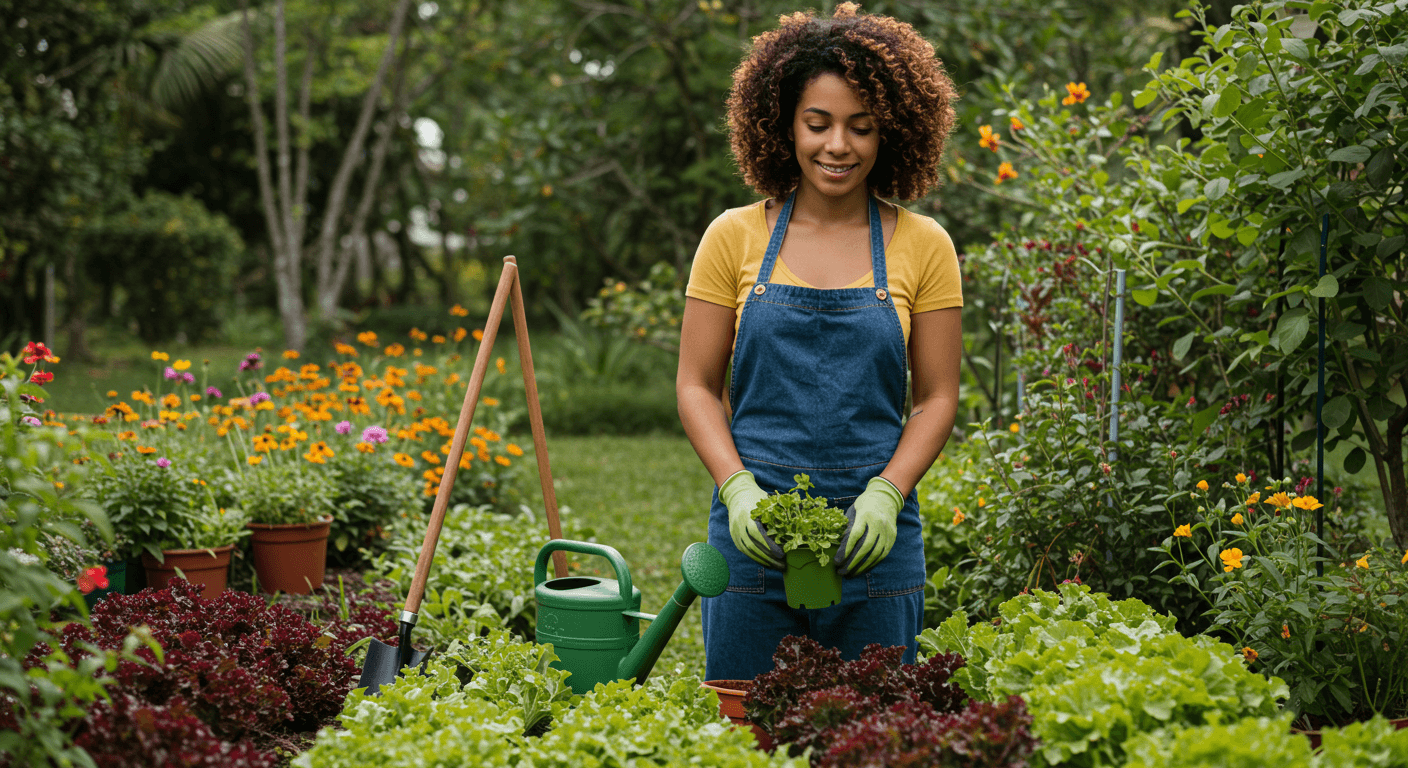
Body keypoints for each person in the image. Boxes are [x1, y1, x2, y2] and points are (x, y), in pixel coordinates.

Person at [677, 2, 963, 682]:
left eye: (861, 128)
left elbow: (937, 397)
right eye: (819, 123)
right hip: (756, 544)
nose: (839, 145)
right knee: (746, 729)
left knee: (877, 733)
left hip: (876, 546)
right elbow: (695, 385)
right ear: (783, 124)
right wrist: (737, 486)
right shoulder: (733, 236)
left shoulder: (924, 245)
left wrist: (888, 494)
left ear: (890, 132)